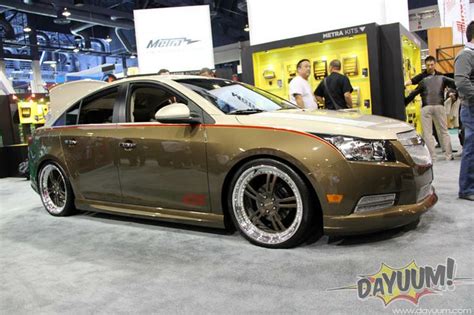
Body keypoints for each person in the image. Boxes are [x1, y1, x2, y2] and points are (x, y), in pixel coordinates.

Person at [405, 59, 456, 161]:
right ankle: (448, 155)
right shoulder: (441, 77)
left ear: (434, 64)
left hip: (426, 107)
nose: (430, 67)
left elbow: (413, 93)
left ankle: (433, 157)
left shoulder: (423, 81)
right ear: (425, 65)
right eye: (428, 65)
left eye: (432, 65)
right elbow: (455, 83)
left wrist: (404, 102)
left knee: (428, 133)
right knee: (444, 131)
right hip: (439, 106)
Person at [455, 21, 474, 201]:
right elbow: (461, 82)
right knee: (471, 148)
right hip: (471, 108)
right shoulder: (466, 55)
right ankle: (467, 189)